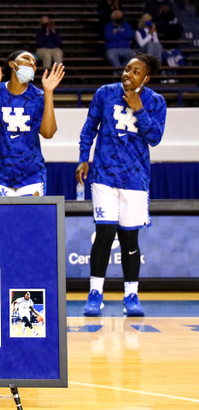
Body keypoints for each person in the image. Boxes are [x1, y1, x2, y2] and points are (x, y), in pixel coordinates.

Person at [76, 53, 166, 317]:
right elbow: (88, 129)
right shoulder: (105, 93)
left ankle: (131, 295)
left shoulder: (156, 102)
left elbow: (155, 138)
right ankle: (95, 294)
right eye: (127, 68)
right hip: (104, 175)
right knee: (104, 234)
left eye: (136, 72)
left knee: (129, 238)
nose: (128, 74)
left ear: (146, 78)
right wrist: (84, 159)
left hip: (135, 180)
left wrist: (139, 108)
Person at [0, 52, 65, 196]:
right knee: (3, 219)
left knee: (30, 218)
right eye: (27, 59)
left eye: (34, 62)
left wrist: (48, 93)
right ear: (13, 64)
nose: (32, 63)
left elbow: (48, 133)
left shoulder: (38, 96)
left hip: (31, 175)